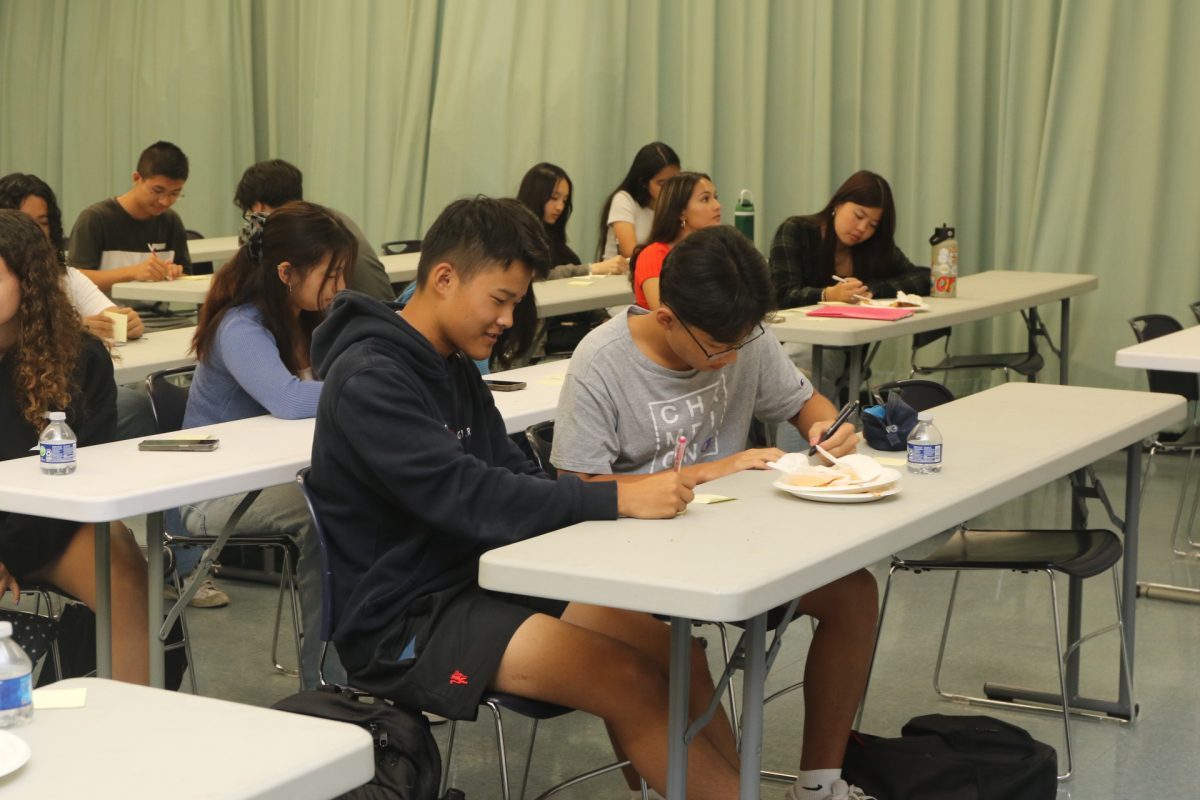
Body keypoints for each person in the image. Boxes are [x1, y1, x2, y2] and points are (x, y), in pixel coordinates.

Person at [308, 196, 744, 798]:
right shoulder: (369, 379)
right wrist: (616, 499)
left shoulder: (453, 366)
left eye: (515, 302)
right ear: (443, 278)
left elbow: (515, 472)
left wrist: (617, 499)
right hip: (406, 619)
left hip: (483, 578)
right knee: (631, 680)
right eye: (501, 299)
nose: (509, 320)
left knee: (677, 656)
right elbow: (473, 498)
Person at [552, 225, 878, 800]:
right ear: (668, 317)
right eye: (716, 348)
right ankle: (686, 788)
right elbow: (575, 491)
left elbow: (804, 403)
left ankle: (821, 785)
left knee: (852, 593)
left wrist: (822, 428)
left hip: (734, 545)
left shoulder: (744, 339)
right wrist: (705, 473)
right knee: (678, 656)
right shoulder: (601, 363)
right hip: (627, 565)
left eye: (742, 343)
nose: (731, 360)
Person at [175, 201, 355, 689]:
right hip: (212, 494)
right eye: (331, 274)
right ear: (286, 273)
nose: (341, 288)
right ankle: (329, 686)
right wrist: (368, 384)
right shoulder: (241, 326)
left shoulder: (306, 319)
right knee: (330, 518)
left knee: (380, 500)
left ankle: (378, 664)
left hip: (275, 477)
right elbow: (291, 400)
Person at [0, 209, 150, 685]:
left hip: (46, 525)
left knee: (123, 571)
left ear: (30, 281)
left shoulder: (80, 357)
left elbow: (85, 476)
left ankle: (135, 730)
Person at [0, 172, 156, 440]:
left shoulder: (85, 358)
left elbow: (90, 459)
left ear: (29, 281)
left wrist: (122, 322)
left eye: (41, 222)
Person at [233, 159, 393, 301]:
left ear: (257, 207)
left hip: (356, 318)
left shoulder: (293, 231)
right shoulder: (330, 217)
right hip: (384, 311)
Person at [769, 170, 929, 308]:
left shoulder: (873, 245)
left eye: (873, 225)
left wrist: (871, 289)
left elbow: (924, 278)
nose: (862, 229)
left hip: (850, 337)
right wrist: (827, 295)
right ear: (838, 204)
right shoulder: (796, 231)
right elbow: (782, 296)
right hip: (795, 337)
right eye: (858, 215)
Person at [67, 141, 190, 292]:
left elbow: (188, 277)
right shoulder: (95, 219)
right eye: (158, 190)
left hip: (161, 314)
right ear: (137, 178)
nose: (165, 201)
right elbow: (75, 280)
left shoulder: (171, 221)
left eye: (174, 193)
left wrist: (175, 273)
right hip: (107, 313)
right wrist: (133, 273)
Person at [515, 162, 627, 278]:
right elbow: (534, 277)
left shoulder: (554, 239)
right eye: (554, 198)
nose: (560, 207)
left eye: (564, 200)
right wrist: (592, 268)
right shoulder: (516, 233)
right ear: (535, 194)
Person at [629, 171, 722, 309]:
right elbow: (665, 313)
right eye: (705, 199)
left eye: (715, 197)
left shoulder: (715, 252)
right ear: (681, 212)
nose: (717, 205)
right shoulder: (653, 256)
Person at [596, 142, 681, 260]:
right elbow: (630, 252)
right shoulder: (624, 200)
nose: (670, 189)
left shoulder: (678, 205)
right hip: (620, 275)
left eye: (674, 182)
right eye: (662, 183)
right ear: (644, 182)